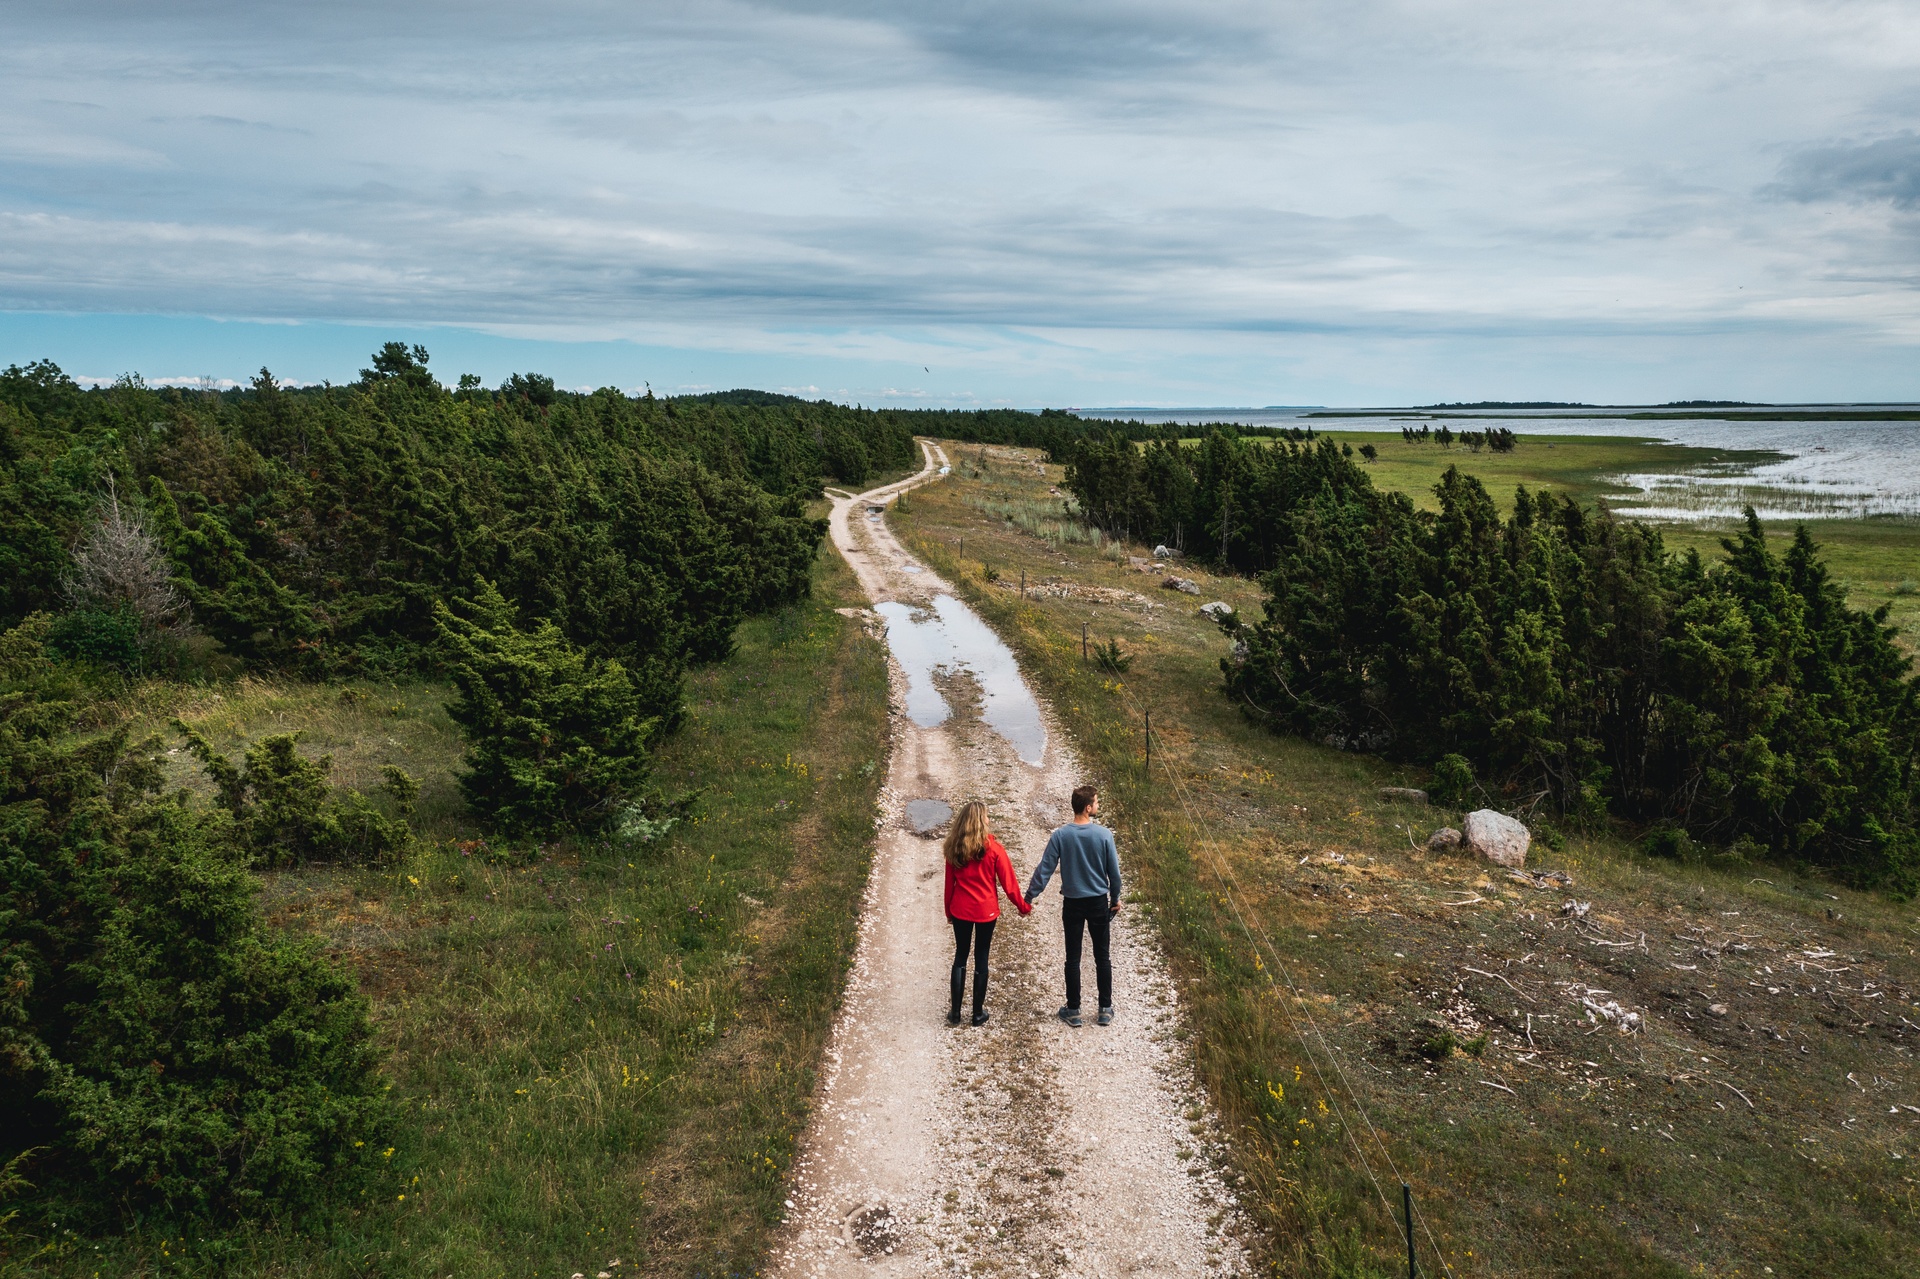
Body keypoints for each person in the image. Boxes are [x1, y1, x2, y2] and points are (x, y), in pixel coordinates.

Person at [1026, 785, 1121, 1028]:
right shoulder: (1104, 836)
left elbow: (1044, 870)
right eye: (1097, 803)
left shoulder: (1060, 836)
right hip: (1099, 902)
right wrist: (1115, 899)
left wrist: (1029, 896)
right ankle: (1104, 1009)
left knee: (1073, 957)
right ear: (1088, 808)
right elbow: (1115, 875)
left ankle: (1074, 1009)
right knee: (1102, 956)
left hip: (1073, 904)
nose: (1098, 806)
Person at [942, 801, 1031, 1026]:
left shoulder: (954, 847)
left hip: (961, 909)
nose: (989, 820)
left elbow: (948, 885)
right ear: (981, 821)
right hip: (986, 911)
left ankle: (955, 1014)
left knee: (960, 955)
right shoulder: (994, 849)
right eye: (987, 816)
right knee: (982, 956)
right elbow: (1009, 883)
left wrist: (948, 912)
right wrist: (1023, 906)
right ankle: (977, 1013)